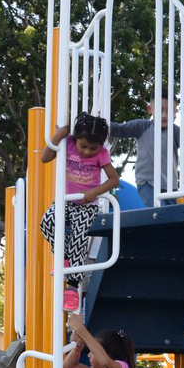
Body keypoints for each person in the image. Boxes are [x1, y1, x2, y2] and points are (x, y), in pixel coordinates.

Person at [39, 113, 120, 311]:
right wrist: (58, 136)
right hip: (66, 201)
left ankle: (73, 286)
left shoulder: (101, 154)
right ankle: (64, 256)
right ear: (76, 139)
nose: (87, 151)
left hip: (86, 204)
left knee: (78, 236)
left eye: (93, 148)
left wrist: (95, 192)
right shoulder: (67, 144)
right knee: (47, 222)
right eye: (83, 146)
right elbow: (45, 157)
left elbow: (113, 179)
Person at [108, 87, 184, 207]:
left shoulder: (175, 132)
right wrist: (102, 125)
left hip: (170, 187)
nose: (165, 115)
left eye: (169, 110)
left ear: (175, 112)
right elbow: (119, 129)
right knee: (153, 211)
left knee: (170, 217)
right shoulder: (142, 126)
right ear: (150, 109)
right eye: (160, 110)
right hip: (147, 183)